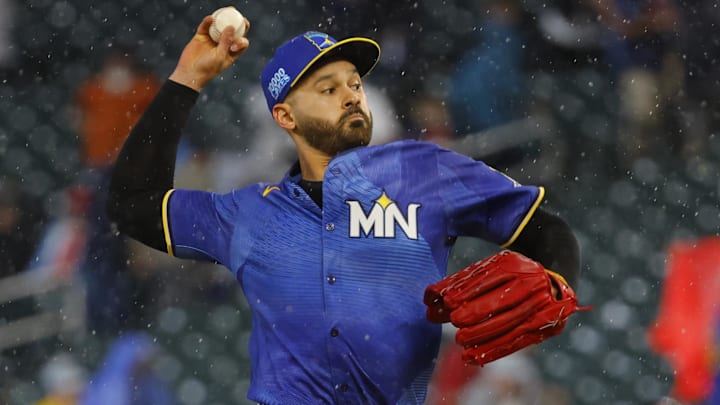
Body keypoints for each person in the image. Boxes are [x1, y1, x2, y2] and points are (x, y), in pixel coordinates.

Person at [106, 14, 581, 404]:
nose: (353, 94)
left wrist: (559, 279)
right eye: (328, 88)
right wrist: (188, 77)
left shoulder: (422, 170)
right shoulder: (247, 215)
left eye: (355, 83)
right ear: (285, 117)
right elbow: (132, 205)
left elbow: (544, 230)